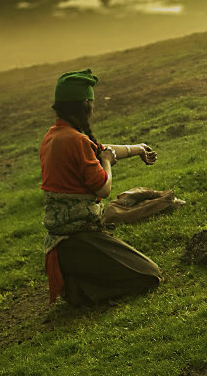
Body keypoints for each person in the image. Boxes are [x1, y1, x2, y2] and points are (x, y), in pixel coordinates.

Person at [40, 69, 163, 306]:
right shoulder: (77, 140)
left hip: (62, 243)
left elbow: (102, 148)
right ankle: (83, 291)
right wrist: (106, 162)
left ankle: (78, 283)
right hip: (79, 239)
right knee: (150, 274)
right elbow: (103, 189)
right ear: (85, 105)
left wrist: (139, 148)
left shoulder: (54, 136)